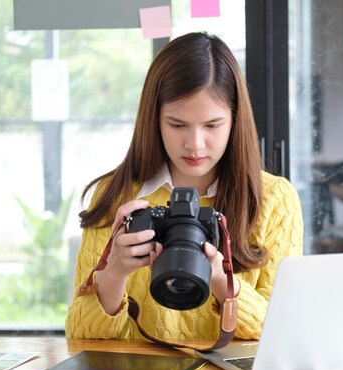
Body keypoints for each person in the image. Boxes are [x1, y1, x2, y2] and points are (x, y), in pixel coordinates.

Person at [66, 32, 303, 342]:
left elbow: (283, 331)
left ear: (235, 120)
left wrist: (220, 278)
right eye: (177, 124)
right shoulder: (118, 196)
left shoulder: (273, 199)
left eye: (212, 125)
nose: (194, 145)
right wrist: (114, 274)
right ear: (154, 119)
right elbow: (80, 337)